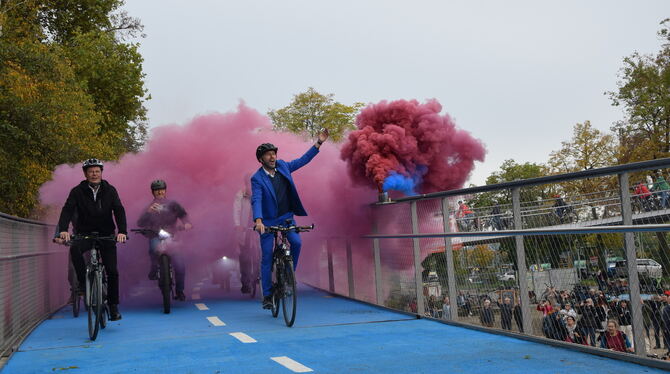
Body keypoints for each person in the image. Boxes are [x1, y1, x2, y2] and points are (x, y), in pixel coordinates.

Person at [252, 129, 329, 309]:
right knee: (266, 256)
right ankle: (268, 295)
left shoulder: (284, 166)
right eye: (268, 155)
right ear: (261, 159)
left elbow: (303, 160)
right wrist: (258, 220)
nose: (272, 157)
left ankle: (288, 275)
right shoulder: (256, 178)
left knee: (297, 243)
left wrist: (319, 143)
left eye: (273, 153)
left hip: (287, 218)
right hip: (268, 222)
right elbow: (256, 199)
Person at [57, 158, 127, 321]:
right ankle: (82, 284)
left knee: (112, 271)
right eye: (91, 171)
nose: (94, 174)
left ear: (101, 173)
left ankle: (113, 306)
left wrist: (122, 231)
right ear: (85, 174)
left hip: (106, 234)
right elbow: (67, 210)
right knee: (74, 249)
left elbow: (119, 210)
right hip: (84, 233)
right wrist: (63, 230)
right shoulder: (77, 191)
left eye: (97, 171)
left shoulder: (110, 190)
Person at [136, 179, 192, 301]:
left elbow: (184, 216)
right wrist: (148, 212)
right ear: (153, 192)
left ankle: (180, 291)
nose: (159, 192)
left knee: (180, 265)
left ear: (165, 190)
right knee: (153, 248)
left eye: (161, 189)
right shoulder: (149, 207)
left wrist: (187, 224)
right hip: (155, 235)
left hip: (172, 235)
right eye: (156, 190)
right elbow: (140, 223)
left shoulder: (173, 205)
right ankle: (154, 268)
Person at [233, 176, 257, 294]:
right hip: (245, 229)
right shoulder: (240, 195)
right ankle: (245, 283)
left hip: (259, 228)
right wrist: (238, 225)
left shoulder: (260, 192)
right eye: (249, 183)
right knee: (244, 256)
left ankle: (263, 277)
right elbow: (236, 210)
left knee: (263, 253)